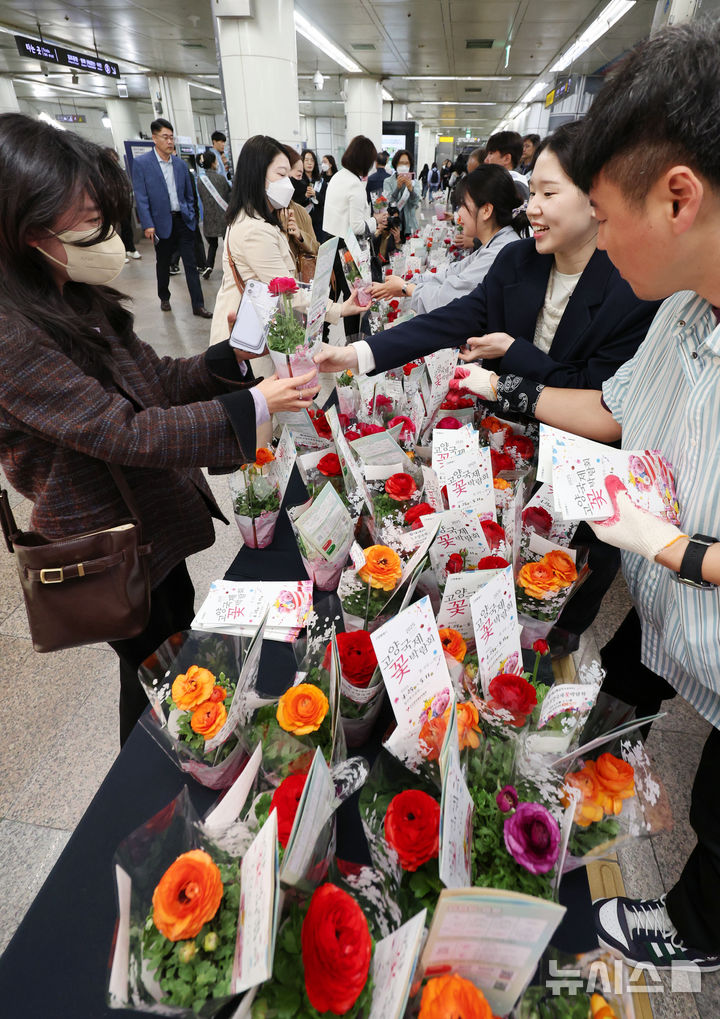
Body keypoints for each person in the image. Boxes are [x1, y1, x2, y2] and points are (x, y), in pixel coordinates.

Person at [450, 19, 720, 972]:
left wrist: (671, 544)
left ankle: (696, 936)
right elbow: (611, 407)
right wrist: (510, 393)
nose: (596, 240)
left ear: (677, 197)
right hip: (678, 624)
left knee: (717, 809)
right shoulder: (681, 309)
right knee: (636, 704)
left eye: (603, 216)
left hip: (690, 587)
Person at [0, 113, 322, 744]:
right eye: (89, 221)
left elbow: (157, 380)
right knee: (155, 668)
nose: (105, 236)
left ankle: (182, 748)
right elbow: (125, 431)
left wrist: (231, 358)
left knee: (172, 653)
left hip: (147, 523)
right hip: (108, 542)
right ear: (28, 228)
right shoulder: (12, 336)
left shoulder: (73, 295)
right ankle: (166, 763)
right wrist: (253, 406)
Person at [315, 122, 661, 644]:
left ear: (597, 199)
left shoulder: (632, 288)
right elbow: (451, 319)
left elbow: (597, 393)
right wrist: (358, 354)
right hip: (505, 469)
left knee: (549, 632)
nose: (532, 207)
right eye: (532, 192)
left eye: (548, 194)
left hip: (580, 493)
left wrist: (513, 355)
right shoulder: (518, 261)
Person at [209, 134, 361, 356]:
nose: (287, 184)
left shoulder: (262, 219)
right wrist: (339, 308)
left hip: (262, 331)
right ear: (257, 176)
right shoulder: (254, 230)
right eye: (281, 175)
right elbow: (290, 292)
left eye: (289, 175)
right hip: (250, 341)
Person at [371, 165, 525, 314]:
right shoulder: (496, 243)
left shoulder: (499, 253)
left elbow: (448, 297)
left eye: (463, 205)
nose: (459, 213)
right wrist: (409, 281)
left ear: (486, 210)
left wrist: (406, 288)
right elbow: (453, 271)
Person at [131, 119, 212, 318]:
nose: (169, 141)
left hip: (183, 220)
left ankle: (198, 305)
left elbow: (189, 195)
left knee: (191, 264)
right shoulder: (142, 164)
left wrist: (191, 215)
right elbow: (141, 197)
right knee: (163, 262)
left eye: (171, 137)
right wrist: (148, 224)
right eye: (165, 137)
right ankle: (164, 297)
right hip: (160, 223)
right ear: (154, 138)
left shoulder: (180, 164)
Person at [322, 135, 389, 338]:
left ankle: (324, 338)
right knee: (353, 297)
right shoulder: (355, 184)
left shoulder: (338, 177)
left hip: (329, 242)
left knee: (331, 296)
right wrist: (376, 220)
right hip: (347, 248)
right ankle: (352, 343)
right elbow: (357, 227)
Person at [284, 145, 320, 276]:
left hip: (299, 277)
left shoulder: (300, 212)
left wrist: (300, 236)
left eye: (300, 175)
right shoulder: (264, 214)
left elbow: (315, 247)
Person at [196, 149, 231, 279]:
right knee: (227, 244)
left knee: (213, 244)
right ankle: (229, 267)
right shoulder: (221, 179)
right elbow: (229, 196)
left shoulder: (200, 180)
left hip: (208, 217)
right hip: (224, 217)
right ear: (213, 163)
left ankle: (208, 265)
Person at [105, 148, 141, 261]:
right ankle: (118, 253)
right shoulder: (103, 173)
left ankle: (130, 249)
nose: (114, 161)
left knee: (127, 227)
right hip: (112, 205)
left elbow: (128, 185)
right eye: (112, 158)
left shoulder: (120, 171)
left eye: (115, 158)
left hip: (125, 203)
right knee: (114, 229)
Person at [383, 149, 421, 236]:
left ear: (410, 165)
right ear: (395, 164)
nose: (404, 166)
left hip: (410, 226)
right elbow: (388, 203)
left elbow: (415, 203)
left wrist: (411, 190)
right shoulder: (388, 181)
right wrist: (397, 189)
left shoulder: (415, 182)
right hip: (394, 227)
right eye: (401, 163)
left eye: (406, 163)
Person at [484, 131, 530, 200]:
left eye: (491, 153)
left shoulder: (516, 187)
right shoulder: (502, 182)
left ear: (507, 159)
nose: (486, 160)